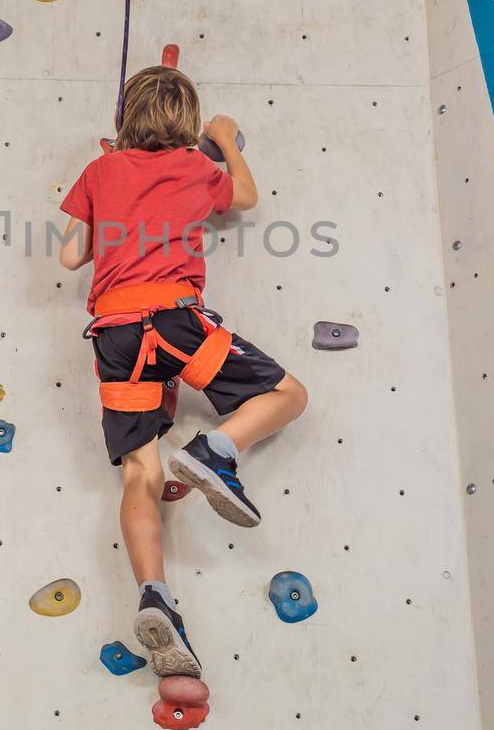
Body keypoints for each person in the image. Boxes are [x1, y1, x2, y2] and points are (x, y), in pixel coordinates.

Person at [57, 65, 308, 679]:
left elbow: (71, 255)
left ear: (124, 121)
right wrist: (222, 137)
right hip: (175, 321)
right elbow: (244, 198)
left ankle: (154, 595)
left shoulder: (99, 172)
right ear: (187, 127)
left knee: (139, 473)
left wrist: (104, 194)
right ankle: (218, 451)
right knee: (288, 394)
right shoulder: (196, 167)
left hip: (115, 336)